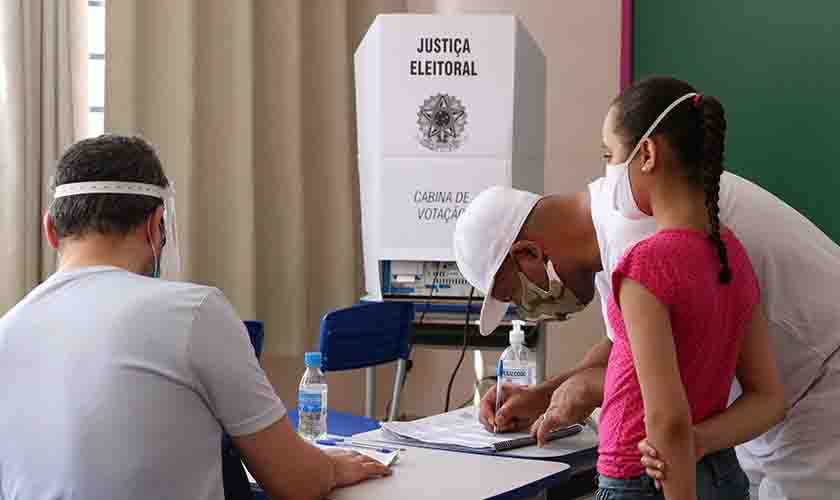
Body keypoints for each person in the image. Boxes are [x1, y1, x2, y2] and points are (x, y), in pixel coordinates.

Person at [456, 76, 840, 499]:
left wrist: (586, 389)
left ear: (528, 254)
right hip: (754, 411)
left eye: (516, 295)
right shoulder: (617, 226)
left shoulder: (641, 232)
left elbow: (659, 385)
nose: (529, 308)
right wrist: (544, 395)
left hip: (819, 378)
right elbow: (625, 344)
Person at [0, 135, 391, 500]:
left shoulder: (8, 330)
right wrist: (333, 469)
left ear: (51, 229)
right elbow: (295, 480)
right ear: (156, 224)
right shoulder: (192, 312)